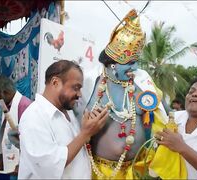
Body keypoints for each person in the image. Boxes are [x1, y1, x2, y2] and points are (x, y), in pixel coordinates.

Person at [80, 9, 187, 179]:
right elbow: (74, 130)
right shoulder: (88, 87)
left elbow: (167, 117)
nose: (135, 68)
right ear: (113, 64)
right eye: (130, 62)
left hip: (136, 172)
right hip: (98, 173)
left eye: (137, 62)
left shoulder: (143, 85)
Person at [18, 60, 109, 179]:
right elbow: (49, 167)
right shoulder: (34, 116)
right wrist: (85, 133)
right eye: (76, 88)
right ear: (55, 82)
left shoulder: (67, 111)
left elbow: (73, 148)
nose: (79, 94)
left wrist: (89, 131)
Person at [0, 75, 32, 175]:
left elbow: (30, 140)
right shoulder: (7, 105)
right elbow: (4, 132)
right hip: (13, 164)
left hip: (24, 165)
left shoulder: (25, 105)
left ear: (6, 92)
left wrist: (22, 163)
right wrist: (2, 158)